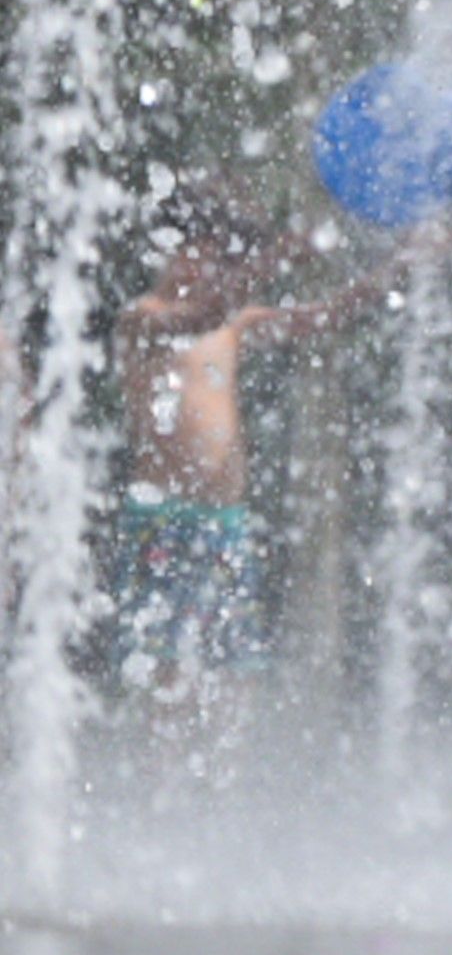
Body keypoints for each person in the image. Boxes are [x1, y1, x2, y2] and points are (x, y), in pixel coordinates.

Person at [107, 189, 404, 712]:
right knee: (169, 678)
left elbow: (324, 317)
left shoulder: (235, 325)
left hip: (226, 523)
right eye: (194, 254)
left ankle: (223, 791)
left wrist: (395, 267)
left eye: (214, 257)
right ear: (169, 251)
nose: (204, 268)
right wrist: (277, 260)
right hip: (164, 521)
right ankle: (163, 785)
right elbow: (197, 318)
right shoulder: (142, 319)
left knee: (234, 672)